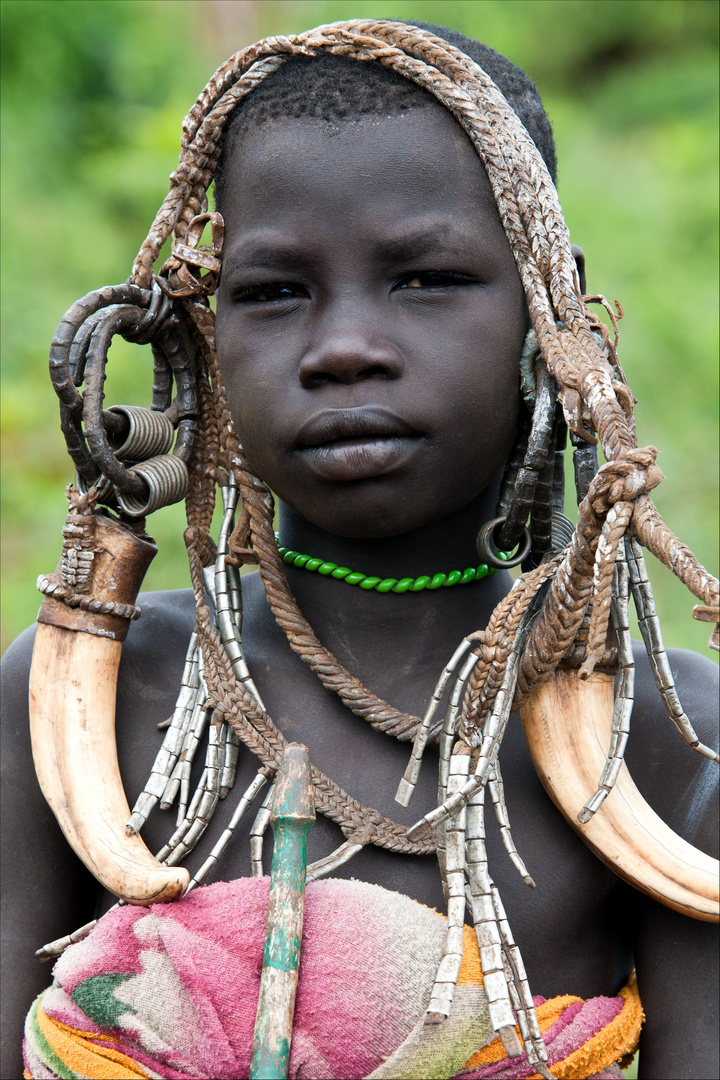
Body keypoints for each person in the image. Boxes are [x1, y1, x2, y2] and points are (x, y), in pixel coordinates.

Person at [1, 19, 718, 1080]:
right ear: (202, 330)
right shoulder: (88, 700)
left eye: (425, 278)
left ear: (549, 310)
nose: (342, 348)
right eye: (273, 292)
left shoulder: (661, 740)